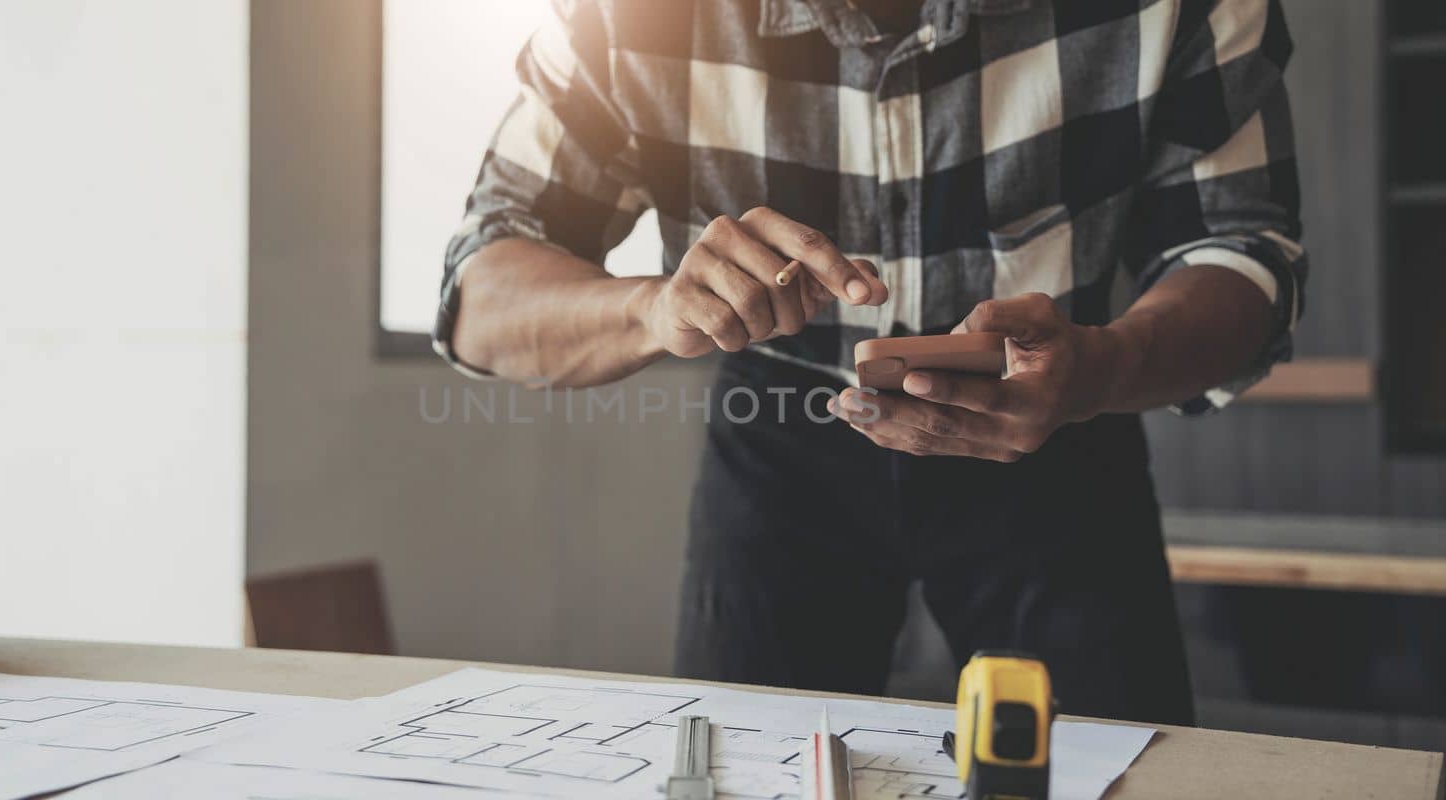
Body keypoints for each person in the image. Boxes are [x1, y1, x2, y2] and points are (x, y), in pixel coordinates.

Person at [434, 0, 1306, 726]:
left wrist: (1104, 370)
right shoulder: (624, 15)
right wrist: (650, 307)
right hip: (778, 435)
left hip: (1064, 417)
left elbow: (1241, 248)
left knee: (1111, 769)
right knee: (740, 766)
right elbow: (481, 294)